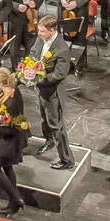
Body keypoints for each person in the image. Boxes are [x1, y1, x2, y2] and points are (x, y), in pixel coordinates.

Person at [31, 15, 74, 170]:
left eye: (42, 31)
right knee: (44, 118)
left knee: (56, 125)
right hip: (41, 88)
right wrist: (29, 68)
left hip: (52, 92)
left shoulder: (62, 48)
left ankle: (66, 159)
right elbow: (33, 53)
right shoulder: (40, 39)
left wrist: (38, 79)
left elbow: (59, 74)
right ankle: (49, 140)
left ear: (52, 30)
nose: (39, 34)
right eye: (39, 30)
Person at [0, 67, 30, 216]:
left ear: (0, 82)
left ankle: (16, 198)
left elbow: (9, 127)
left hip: (11, 140)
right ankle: (14, 205)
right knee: (7, 167)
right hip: (12, 138)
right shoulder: (12, 91)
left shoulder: (10, 103)